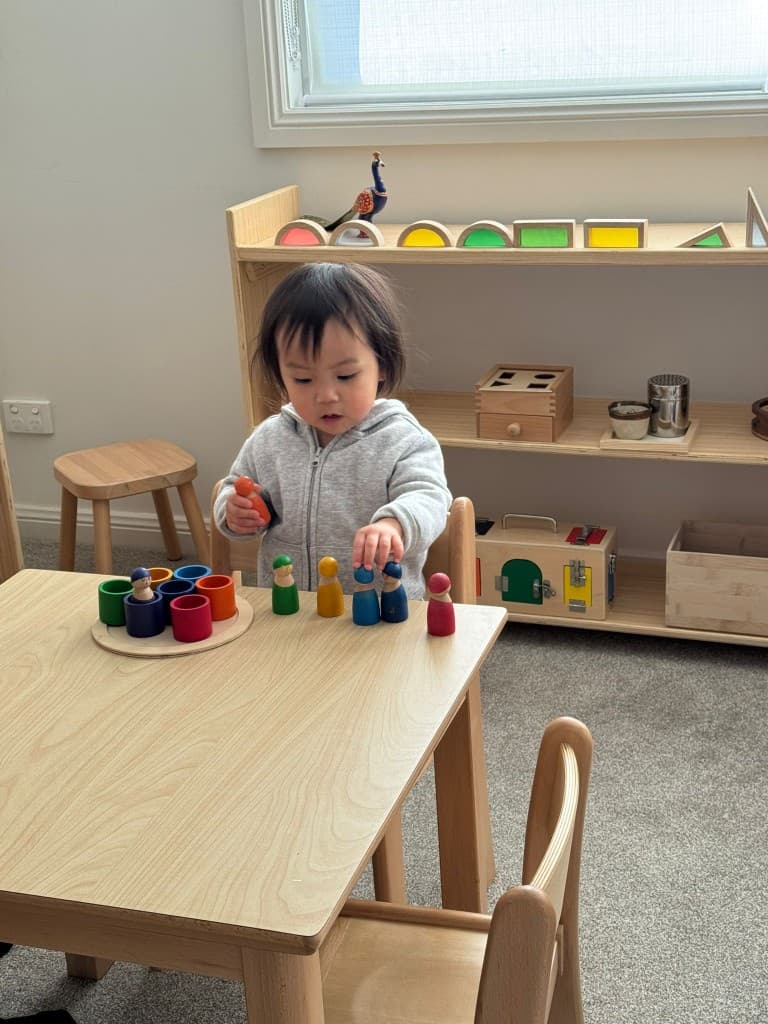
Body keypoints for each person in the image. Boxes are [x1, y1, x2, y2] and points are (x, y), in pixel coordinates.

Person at [213, 262, 452, 597]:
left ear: (381, 364)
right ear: (280, 376)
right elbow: (234, 488)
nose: (326, 395)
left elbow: (430, 498)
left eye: (345, 376)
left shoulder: (404, 440)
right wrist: (234, 511)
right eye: (303, 379)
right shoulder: (270, 439)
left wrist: (393, 523)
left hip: (380, 613)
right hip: (290, 608)